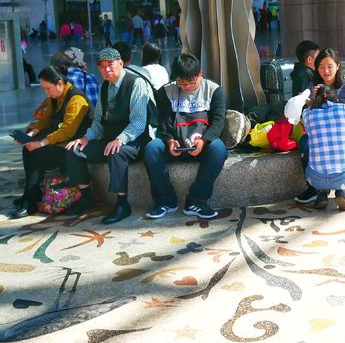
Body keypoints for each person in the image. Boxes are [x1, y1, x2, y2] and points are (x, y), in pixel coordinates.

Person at [64, 47, 153, 223]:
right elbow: (98, 121)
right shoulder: (104, 86)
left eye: (110, 64)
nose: (107, 69)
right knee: (73, 149)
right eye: (102, 66)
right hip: (109, 139)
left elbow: (139, 121)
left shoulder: (136, 83)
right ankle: (86, 196)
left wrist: (121, 139)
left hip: (135, 140)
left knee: (116, 151)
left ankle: (122, 204)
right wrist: (86, 137)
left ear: (120, 63)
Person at [143, 52, 227, 220]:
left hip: (201, 142)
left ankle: (196, 200)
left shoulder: (214, 91)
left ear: (200, 75)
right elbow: (164, 122)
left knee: (219, 149)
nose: (186, 87)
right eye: (181, 83)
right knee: (152, 149)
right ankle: (165, 200)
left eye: (191, 82)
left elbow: (218, 122)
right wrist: (169, 140)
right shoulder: (165, 92)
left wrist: (204, 141)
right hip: (175, 143)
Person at [292, 47, 345, 204]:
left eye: (330, 66)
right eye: (321, 67)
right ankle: (313, 187)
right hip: (321, 136)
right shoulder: (312, 86)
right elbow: (306, 118)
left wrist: (329, 103)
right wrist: (311, 101)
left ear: (338, 65)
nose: (326, 71)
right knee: (304, 142)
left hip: (343, 134)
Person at [11, 66, 92, 219]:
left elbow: (67, 131)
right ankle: (29, 194)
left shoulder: (76, 99)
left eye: (48, 88)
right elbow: (45, 120)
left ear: (60, 83)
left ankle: (32, 201)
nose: (46, 92)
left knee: (37, 153)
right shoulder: (54, 98)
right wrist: (32, 133)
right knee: (28, 148)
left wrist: (41, 143)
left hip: (72, 145)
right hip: (60, 141)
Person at [299, 86, 345, 212]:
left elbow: (309, 135)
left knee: (309, 149)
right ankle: (342, 192)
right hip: (344, 177)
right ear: (336, 98)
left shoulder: (307, 113)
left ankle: (321, 192)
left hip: (315, 178)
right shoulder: (344, 109)